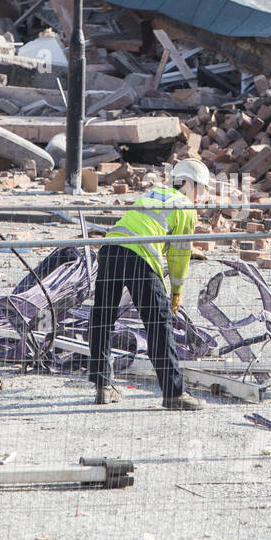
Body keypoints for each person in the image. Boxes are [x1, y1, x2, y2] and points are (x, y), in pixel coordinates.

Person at [88, 159, 209, 411]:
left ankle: (103, 387)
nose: (203, 195)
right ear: (187, 183)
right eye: (201, 189)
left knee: (102, 318)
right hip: (140, 256)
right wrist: (176, 291)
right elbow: (179, 255)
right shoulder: (185, 206)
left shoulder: (154, 192)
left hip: (110, 250)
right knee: (158, 323)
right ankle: (174, 394)